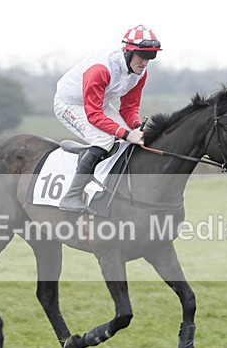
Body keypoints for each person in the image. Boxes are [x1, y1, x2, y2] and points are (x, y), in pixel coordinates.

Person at [53, 24, 161, 213]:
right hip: (69, 103)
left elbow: (129, 108)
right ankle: (71, 196)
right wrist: (127, 133)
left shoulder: (140, 73)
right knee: (104, 139)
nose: (145, 63)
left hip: (98, 104)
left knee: (127, 141)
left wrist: (137, 127)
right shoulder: (101, 69)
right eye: (142, 56)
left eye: (151, 57)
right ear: (128, 52)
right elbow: (93, 115)